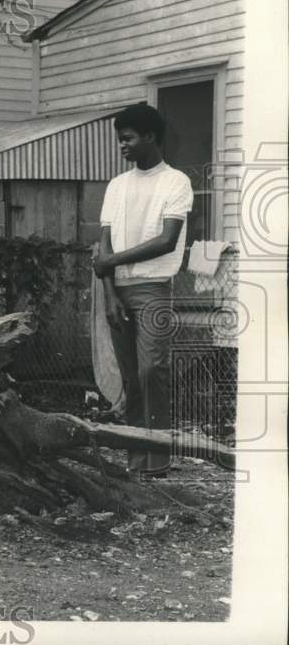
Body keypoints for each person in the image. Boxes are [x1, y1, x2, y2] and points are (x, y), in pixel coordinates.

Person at [93, 103, 194, 479]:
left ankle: (158, 459)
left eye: (129, 138)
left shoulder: (175, 182)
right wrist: (109, 294)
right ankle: (137, 463)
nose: (123, 145)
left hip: (153, 288)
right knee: (131, 377)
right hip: (117, 289)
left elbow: (167, 240)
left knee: (152, 368)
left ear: (150, 136)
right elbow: (102, 249)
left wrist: (111, 260)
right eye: (120, 139)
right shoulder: (117, 186)